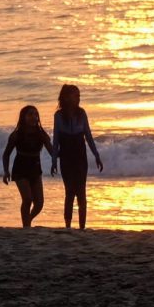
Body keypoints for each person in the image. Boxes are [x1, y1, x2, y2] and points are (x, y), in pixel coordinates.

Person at [48, 84, 103, 229]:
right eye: (75, 95)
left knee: (81, 192)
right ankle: (67, 226)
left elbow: (89, 137)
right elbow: (56, 140)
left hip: (80, 155)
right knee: (69, 192)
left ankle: (82, 227)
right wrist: (54, 161)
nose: (79, 98)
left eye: (79, 95)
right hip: (66, 156)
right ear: (66, 97)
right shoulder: (58, 116)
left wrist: (97, 155)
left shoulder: (82, 113)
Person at [2, 105, 52, 227]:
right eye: (30, 114)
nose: (33, 117)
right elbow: (6, 154)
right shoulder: (16, 135)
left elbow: (53, 152)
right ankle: (26, 226)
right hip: (20, 169)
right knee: (28, 199)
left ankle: (28, 220)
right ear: (23, 117)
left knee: (39, 203)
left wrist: (61, 157)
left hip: (35, 168)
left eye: (36, 115)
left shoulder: (41, 134)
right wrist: (6, 171)